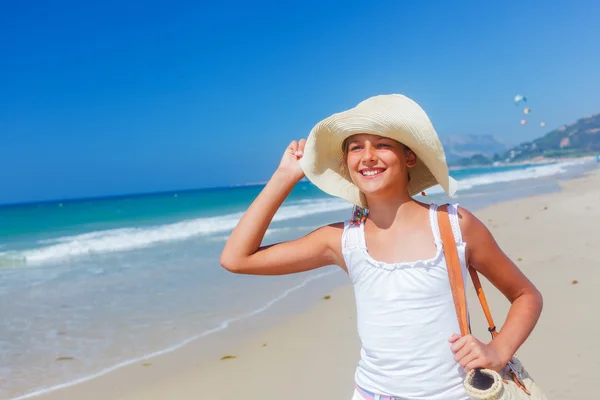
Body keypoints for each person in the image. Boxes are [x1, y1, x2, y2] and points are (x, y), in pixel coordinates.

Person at [220, 94, 543, 400]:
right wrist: (285, 176)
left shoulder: (454, 224)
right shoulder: (342, 240)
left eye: (383, 145)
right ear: (347, 164)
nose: (368, 156)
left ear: (409, 156)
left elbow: (526, 295)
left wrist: (498, 351)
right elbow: (237, 259)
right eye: (356, 148)